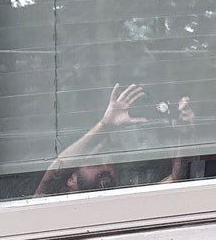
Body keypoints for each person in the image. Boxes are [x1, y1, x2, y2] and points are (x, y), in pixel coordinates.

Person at [34, 82, 196, 196]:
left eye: (108, 162)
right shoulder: (52, 209)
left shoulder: (121, 204)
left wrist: (184, 132)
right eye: (95, 162)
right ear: (71, 179)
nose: (106, 166)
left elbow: (175, 179)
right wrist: (105, 125)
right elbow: (56, 170)